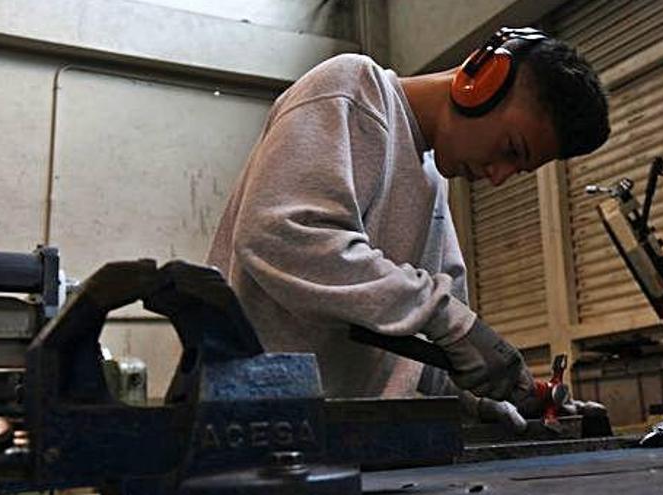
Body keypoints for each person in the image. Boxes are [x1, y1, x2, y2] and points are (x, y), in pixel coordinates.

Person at [206, 27, 610, 427]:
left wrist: (476, 395)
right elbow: (281, 235)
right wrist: (449, 321)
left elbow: (408, 331)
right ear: (481, 82)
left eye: (517, 169)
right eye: (511, 149)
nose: (499, 175)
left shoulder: (432, 177)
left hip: (341, 432)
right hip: (252, 425)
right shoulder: (354, 90)